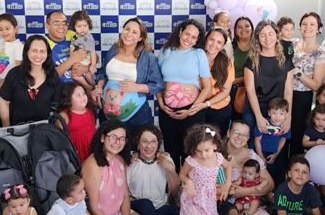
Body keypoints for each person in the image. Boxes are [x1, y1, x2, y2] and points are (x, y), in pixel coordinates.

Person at [212, 120, 280, 215]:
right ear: (229, 133)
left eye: (244, 135)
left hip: (247, 204)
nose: (240, 137)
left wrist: (244, 191)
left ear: (248, 138)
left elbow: (270, 184)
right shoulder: (216, 154)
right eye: (237, 132)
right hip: (221, 204)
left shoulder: (251, 156)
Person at [156, 19, 213, 168]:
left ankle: (190, 189)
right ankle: (174, 189)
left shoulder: (199, 54)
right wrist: (161, 104)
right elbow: (157, 82)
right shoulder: (166, 51)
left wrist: (191, 110)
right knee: (171, 152)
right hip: (167, 113)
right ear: (181, 32)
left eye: (194, 37)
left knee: (192, 154)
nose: (189, 39)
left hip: (192, 113)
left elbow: (207, 87)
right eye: (187, 34)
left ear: (197, 40)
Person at [93, 17, 163, 130]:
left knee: (134, 147)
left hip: (137, 117)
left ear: (141, 37)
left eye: (135, 32)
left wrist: (137, 87)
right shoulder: (114, 49)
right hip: (107, 115)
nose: (129, 34)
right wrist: (100, 87)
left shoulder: (147, 56)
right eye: (127, 29)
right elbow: (102, 72)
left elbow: (158, 84)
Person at [243, 20, 295, 140]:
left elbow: (288, 91)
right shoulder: (251, 61)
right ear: (257, 38)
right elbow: (250, 91)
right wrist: (259, 117)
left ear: (277, 35)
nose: (267, 38)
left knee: (275, 146)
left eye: (270, 34)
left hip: (278, 111)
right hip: (255, 108)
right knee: (255, 145)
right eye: (263, 35)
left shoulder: (286, 61)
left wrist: (288, 116)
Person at [0, 35, 61, 126]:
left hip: (43, 132)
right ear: (27, 52)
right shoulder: (14, 74)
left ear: (47, 54)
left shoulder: (52, 75)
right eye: (34, 51)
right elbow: (4, 103)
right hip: (18, 132)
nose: (38, 55)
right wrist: (7, 131)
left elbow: (57, 105)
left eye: (42, 51)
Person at [290, 12, 325, 155]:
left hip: (302, 97)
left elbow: (316, 85)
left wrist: (298, 72)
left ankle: (294, 169)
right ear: (300, 27)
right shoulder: (292, 43)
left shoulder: (320, 53)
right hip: (283, 92)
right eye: (304, 24)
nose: (308, 27)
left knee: (296, 135)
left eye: (312, 24)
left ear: (319, 28)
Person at [189, 27, 234, 134]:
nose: (214, 44)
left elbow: (225, 91)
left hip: (219, 108)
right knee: (196, 141)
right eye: (211, 39)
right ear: (206, 39)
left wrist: (207, 104)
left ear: (223, 46)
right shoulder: (194, 56)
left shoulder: (226, 63)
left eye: (219, 42)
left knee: (216, 143)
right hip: (197, 106)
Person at [43, 11, 88, 83]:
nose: (61, 27)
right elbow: (47, 77)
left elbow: (93, 55)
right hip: (60, 90)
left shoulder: (72, 35)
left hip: (81, 88)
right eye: (56, 23)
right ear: (47, 26)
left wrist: (86, 68)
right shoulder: (42, 44)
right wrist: (72, 60)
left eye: (64, 23)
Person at [253, 97, 290, 184]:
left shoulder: (285, 126)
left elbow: (283, 139)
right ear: (269, 113)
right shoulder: (263, 124)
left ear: (286, 114)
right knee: (265, 176)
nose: (278, 117)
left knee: (279, 174)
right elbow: (257, 140)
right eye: (274, 113)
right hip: (262, 152)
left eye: (281, 114)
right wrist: (261, 157)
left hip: (276, 153)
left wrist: (276, 154)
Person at [57, 83, 97, 164]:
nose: (83, 97)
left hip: (93, 150)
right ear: (68, 99)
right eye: (78, 95)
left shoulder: (90, 110)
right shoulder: (64, 116)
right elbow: (59, 140)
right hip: (76, 154)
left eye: (84, 93)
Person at [230, 16, 254, 118]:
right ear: (235, 30)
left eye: (247, 26)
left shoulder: (259, 47)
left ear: (252, 29)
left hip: (255, 92)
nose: (243, 29)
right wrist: (245, 78)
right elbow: (225, 79)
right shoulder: (229, 47)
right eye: (239, 27)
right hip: (233, 92)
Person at [69, 10, 98, 89]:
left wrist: (93, 65)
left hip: (85, 62)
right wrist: (73, 62)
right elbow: (72, 50)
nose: (82, 29)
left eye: (85, 26)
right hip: (76, 62)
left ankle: (94, 87)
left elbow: (92, 52)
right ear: (74, 27)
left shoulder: (88, 37)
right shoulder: (74, 37)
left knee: (89, 77)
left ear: (89, 25)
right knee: (75, 76)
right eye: (79, 26)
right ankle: (88, 86)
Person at [0, 13, 24, 80]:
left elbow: (18, 69)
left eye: (7, 28)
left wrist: (6, 82)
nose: (4, 32)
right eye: (1, 29)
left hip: (10, 82)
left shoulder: (19, 46)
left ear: (15, 29)